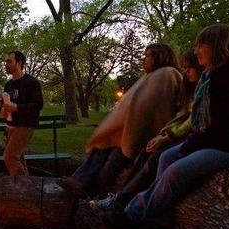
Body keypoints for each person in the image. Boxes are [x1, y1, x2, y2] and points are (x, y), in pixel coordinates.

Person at [105, 24, 229, 226]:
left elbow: (221, 128)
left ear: (218, 46)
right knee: (165, 156)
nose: (197, 51)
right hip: (222, 142)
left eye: (202, 45)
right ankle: (160, 217)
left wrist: (188, 146)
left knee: (176, 171)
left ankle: (131, 213)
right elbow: (207, 125)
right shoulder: (213, 74)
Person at [60, 43, 185, 197]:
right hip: (131, 130)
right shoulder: (150, 76)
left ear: (160, 56)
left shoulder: (168, 74)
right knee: (102, 146)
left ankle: (94, 191)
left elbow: (153, 108)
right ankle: (79, 180)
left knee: (115, 157)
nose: (143, 59)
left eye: (147, 55)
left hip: (151, 135)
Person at [90, 50, 202, 213]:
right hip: (169, 135)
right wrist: (166, 133)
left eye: (190, 67)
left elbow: (189, 119)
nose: (186, 72)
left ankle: (123, 202)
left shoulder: (170, 76)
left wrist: (167, 136)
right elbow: (181, 116)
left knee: (151, 157)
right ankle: (99, 191)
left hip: (183, 138)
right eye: (185, 68)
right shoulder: (187, 85)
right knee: (108, 147)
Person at [0, 51, 44, 176]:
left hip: (25, 125)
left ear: (19, 63)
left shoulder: (31, 83)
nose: (6, 64)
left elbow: (38, 105)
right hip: (10, 127)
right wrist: (3, 110)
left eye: (9, 61)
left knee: (10, 157)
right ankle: (28, 187)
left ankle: (22, 187)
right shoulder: (8, 84)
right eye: (5, 61)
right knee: (18, 158)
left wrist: (17, 107)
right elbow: (4, 105)